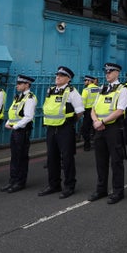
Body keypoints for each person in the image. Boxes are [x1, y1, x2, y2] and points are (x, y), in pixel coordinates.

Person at [38, 66, 85, 199]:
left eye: (61, 75)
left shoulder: (72, 92)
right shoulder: (50, 90)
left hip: (65, 129)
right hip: (51, 128)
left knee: (67, 158)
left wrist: (69, 123)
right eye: (57, 75)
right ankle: (53, 185)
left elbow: (80, 111)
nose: (57, 77)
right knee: (52, 158)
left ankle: (69, 186)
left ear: (68, 79)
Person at [88, 62, 127, 204]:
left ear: (117, 73)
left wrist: (102, 122)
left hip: (113, 129)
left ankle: (118, 191)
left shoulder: (122, 89)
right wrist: (95, 121)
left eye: (110, 72)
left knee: (116, 161)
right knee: (100, 161)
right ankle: (101, 189)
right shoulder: (102, 88)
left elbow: (120, 110)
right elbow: (93, 108)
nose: (107, 74)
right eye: (106, 72)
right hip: (99, 128)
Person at [1, 74, 37, 193]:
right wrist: (8, 122)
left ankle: (20, 182)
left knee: (21, 157)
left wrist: (15, 126)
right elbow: (13, 112)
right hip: (15, 130)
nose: (17, 86)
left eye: (20, 84)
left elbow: (28, 117)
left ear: (27, 85)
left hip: (22, 131)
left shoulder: (30, 98)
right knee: (14, 157)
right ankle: (12, 180)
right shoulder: (18, 97)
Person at [80, 75, 99, 151]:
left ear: (89, 81)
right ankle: (96, 144)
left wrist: (82, 112)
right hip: (96, 111)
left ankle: (87, 145)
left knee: (86, 129)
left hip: (88, 111)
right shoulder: (98, 89)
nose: (84, 82)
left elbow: (83, 102)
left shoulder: (86, 90)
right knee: (96, 128)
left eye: (85, 81)